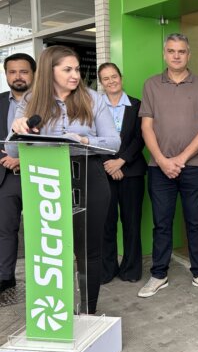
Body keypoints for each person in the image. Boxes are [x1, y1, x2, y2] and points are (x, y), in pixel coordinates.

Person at [10, 45, 121, 314]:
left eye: (77, 69)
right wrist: (17, 129)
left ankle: (88, 311)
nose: (75, 75)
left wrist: (83, 140)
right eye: (68, 69)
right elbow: (12, 151)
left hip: (89, 177)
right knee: (51, 252)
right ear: (50, 71)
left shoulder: (93, 99)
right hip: (45, 179)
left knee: (88, 250)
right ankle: (56, 314)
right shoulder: (30, 101)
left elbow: (114, 143)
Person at [137, 33, 198, 298]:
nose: (176, 55)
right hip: (159, 168)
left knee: (195, 222)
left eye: (181, 51)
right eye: (171, 51)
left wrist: (181, 159)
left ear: (188, 55)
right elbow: (146, 127)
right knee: (162, 223)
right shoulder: (151, 85)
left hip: (194, 167)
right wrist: (162, 160)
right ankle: (158, 275)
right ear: (164, 54)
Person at [98, 63, 147, 283]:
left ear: (121, 77)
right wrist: (109, 164)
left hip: (132, 172)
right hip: (104, 172)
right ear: (101, 83)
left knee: (132, 223)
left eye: (114, 76)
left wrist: (121, 161)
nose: (111, 81)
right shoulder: (95, 107)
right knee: (106, 224)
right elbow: (92, 137)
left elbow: (140, 137)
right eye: (106, 78)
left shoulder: (137, 105)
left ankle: (131, 270)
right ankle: (107, 270)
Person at [0, 53, 35, 293]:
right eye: (12, 72)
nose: (18, 76)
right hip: (6, 177)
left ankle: (41, 279)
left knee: (40, 231)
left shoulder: (46, 102)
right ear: (6, 75)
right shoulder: (1, 101)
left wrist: (23, 159)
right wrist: (5, 158)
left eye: (23, 71)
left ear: (33, 74)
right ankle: (5, 277)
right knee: (5, 229)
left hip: (37, 174)